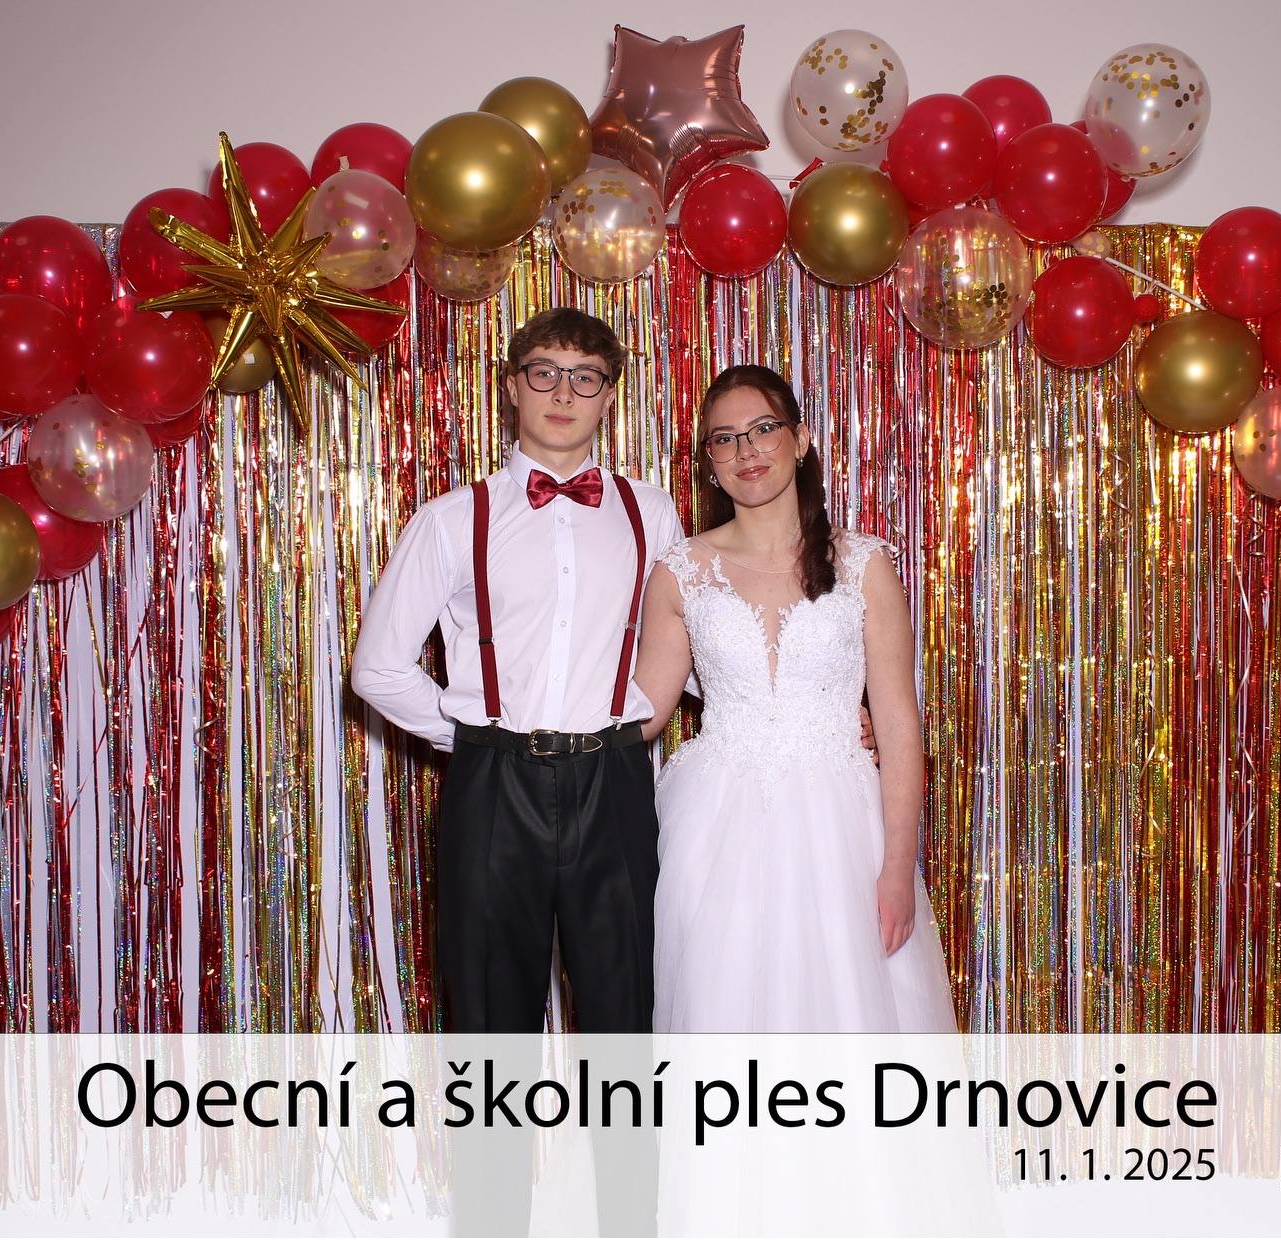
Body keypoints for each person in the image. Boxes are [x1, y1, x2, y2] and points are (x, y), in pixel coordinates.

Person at [350, 307, 677, 1234]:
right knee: (491, 1031)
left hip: (614, 783)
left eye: (586, 376)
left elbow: (688, 641)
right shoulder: (453, 519)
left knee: (622, 1025)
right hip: (494, 789)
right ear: (510, 386)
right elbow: (377, 668)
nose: (564, 393)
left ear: (610, 396)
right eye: (544, 372)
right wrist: (477, 738)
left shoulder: (651, 513)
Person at [632, 363, 957, 1034]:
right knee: (721, 1010)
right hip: (715, 827)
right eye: (725, 439)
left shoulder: (863, 564)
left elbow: (899, 725)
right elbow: (641, 715)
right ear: (709, 463)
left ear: (801, 439)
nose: (746, 451)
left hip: (843, 825)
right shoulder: (680, 570)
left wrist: (898, 868)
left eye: (763, 429)